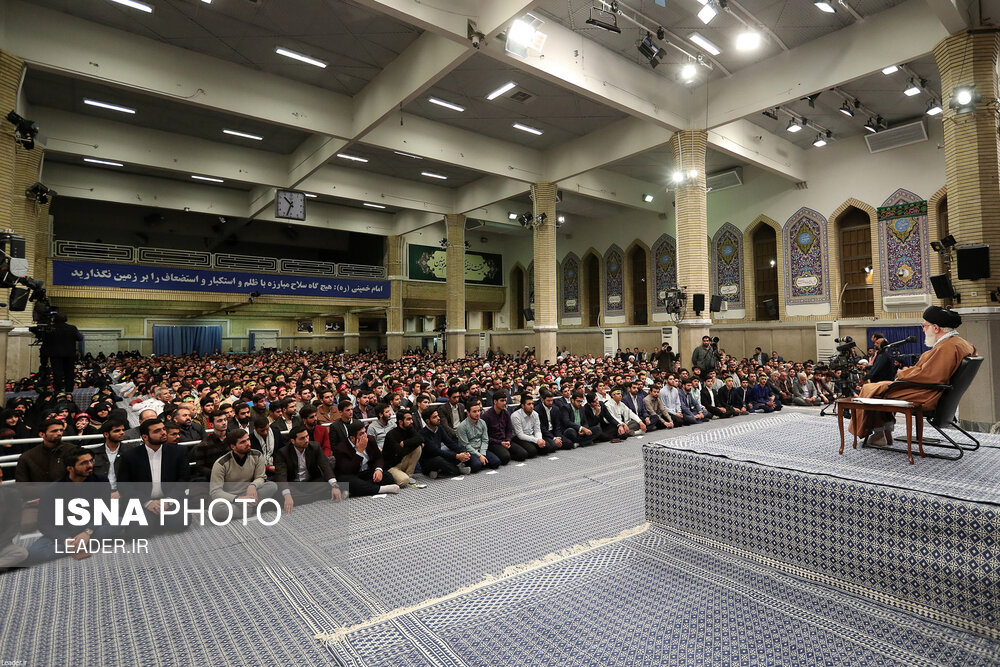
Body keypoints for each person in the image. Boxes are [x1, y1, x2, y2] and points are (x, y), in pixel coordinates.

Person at [850, 306, 977, 444]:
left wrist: (902, 373)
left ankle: (880, 434)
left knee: (871, 390)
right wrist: (910, 372)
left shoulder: (947, 347)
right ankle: (884, 432)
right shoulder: (961, 344)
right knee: (878, 386)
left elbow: (930, 376)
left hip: (926, 394)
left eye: (925, 325)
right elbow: (931, 371)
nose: (923, 329)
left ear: (936, 328)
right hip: (934, 391)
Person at [29, 447, 118, 564]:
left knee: (118, 522)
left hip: (92, 526)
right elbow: (44, 523)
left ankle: (81, 543)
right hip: (64, 530)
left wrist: (87, 532)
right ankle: (82, 545)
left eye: (91, 461)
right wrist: (64, 539)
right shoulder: (52, 490)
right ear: (70, 468)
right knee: (35, 552)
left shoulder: (100, 480)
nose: (90, 465)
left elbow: (103, 511)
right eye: (84, 463)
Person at [116, 418, 190, 534]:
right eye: (157, 431)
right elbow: (124, 485)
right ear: (145, 437)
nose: (163, 433)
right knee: (140, 531)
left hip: (169, 498)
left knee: (179, 524)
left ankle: (159, 518)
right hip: (143, 500)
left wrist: (168, 501)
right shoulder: (130, 456)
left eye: (164, 429)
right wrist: (147, 502)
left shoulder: (178, 452)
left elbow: (183, 480)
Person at [209, 429, 279, 521]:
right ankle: (251, 510)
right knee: (217, 509)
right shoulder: (221, 463)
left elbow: (260, 477)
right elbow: (215, 492)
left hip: (250, 494)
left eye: (248, 440)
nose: (248, 443)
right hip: (231, 498)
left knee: (272, 486)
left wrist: (253, 486)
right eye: (243, 442)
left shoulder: (257, 455)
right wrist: (238, 499)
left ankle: (245, 510)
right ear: (233, 447)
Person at [274, 425, 342, 512]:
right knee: (282, 491)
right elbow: (281, 475)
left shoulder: (315, 447)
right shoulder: (283, 453)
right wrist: (287, 495)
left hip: (311, 483)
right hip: (294, 484)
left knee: (329, 482)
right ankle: (316, 496)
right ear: (292, 441)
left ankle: (303, 498)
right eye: (302, 438)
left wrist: (334, 486)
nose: (306, 440)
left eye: (307, 436)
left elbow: (325, 466)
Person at [419, 407, 473, 477]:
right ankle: (458, 470)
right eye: (435, 417)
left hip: (440, 456)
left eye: (438, 416)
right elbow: (436, 451)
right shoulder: (422, 434)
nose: (438, 418)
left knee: (457, 453)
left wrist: (463, 452)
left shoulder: (439, 428)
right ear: (428, 421)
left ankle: (440, 472)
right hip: (429, 461)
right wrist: (457, 456)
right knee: (440, 460)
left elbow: (450, 443)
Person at [39, 313, 83, 394]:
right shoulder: (72, 328)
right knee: (69, 372)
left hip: (55, 354)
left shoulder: (50, 328)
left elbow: (45, 340)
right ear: (66, 319)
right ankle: (69, 390)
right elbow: (80, 338)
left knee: (57, 372)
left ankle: (58, 390)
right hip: (69, 354)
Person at [91, 419, 138, 492]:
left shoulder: (131, 451)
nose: (122, 433)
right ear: (106, 434)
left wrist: (121, 492)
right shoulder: (94, 453)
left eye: (123, 430)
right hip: (99, 492)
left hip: (124, 492)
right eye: (117, 431)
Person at [381, 408, 425, 487]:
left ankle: (408, 475)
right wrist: (416, 443)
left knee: (418, 448)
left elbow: (421, 439)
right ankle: (400, 477)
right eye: (408, 419)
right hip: (392, 466)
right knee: (403, 481)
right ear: (401, 422)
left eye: (411, 419)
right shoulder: (391, 434)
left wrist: (404, 443)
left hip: (403, 461)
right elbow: (401, 452)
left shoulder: (410, 428)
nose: (411, 421)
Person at [456, 399, 502, 471]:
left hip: (481, 448)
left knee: (496, 462)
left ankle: (481, 461)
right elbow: (466, 445)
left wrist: (482, 454)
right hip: (469, 450)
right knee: (476, 465)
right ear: (468, 413)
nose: (477, 413)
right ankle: (463, 466)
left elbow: (485, 440)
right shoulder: (461, 426)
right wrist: (479, 455)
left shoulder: (482, 422)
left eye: (479, 411)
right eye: (474, 411)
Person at [482, 391, 526, 464]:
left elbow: (509, 430)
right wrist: (500, 442)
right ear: (495, 401)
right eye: (502, 401)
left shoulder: (506, 413)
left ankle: (505, 453)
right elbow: (485, 436)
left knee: (523, 454)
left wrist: (508, 440)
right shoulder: (486, 416)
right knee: (505, 457)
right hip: (493, 443)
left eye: (505, 400)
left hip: (505, 440)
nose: (504, 403)